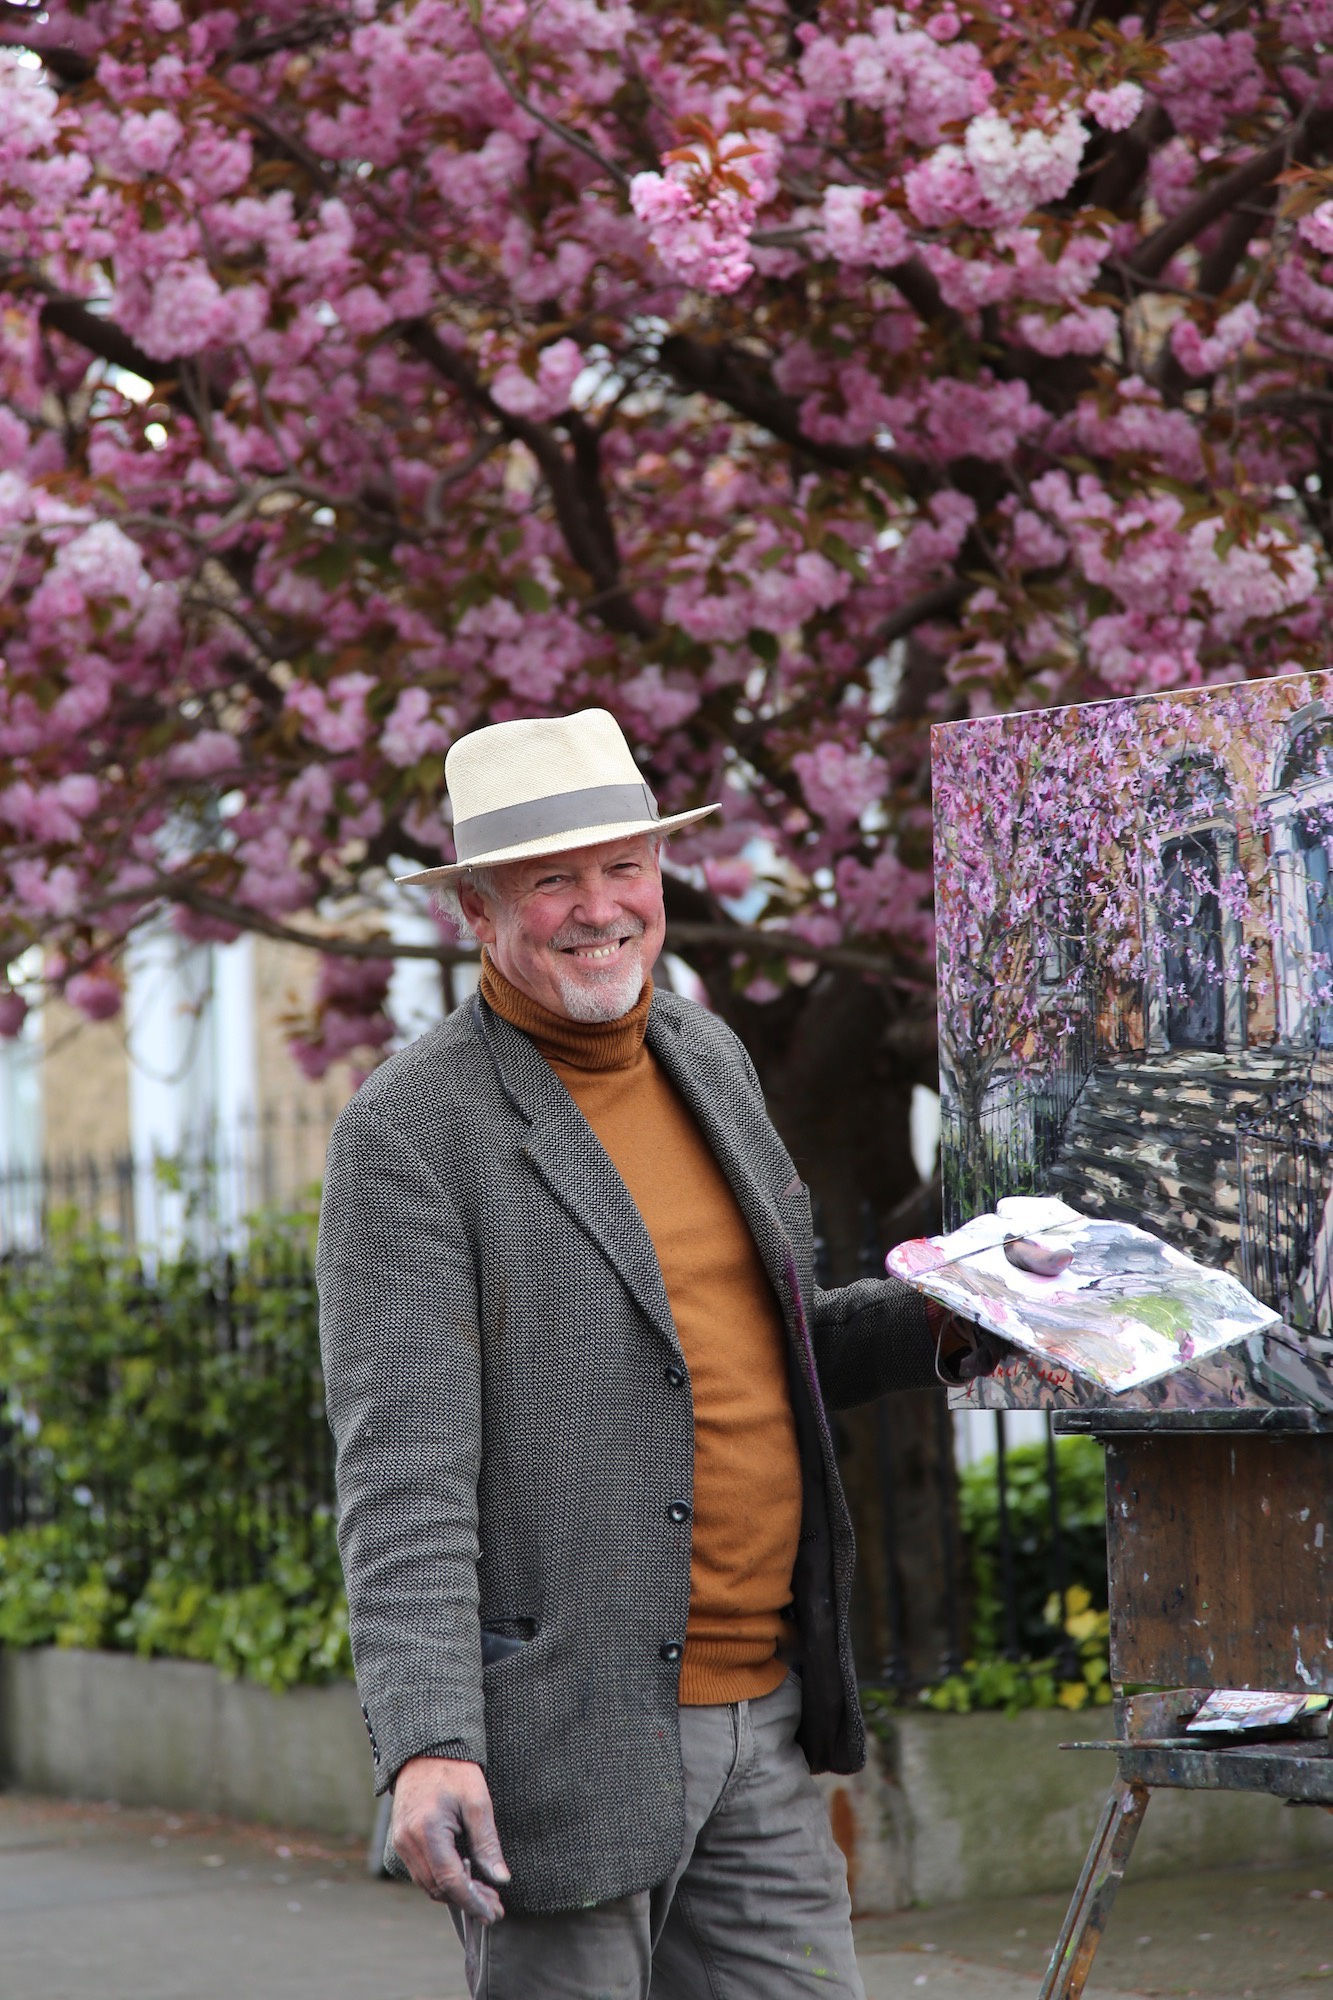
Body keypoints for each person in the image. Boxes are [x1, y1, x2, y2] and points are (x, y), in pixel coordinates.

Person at [316, 708, 987, 2000]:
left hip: (767, 1726)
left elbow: (766, 1348)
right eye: (550, 878)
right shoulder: (409, 1133)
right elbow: (399, 1473)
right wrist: (428, 1741)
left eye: (622, 866)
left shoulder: (702, 1054)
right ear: (476, 910)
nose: (598, 906)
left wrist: (943, 1318)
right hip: (562, 1747)